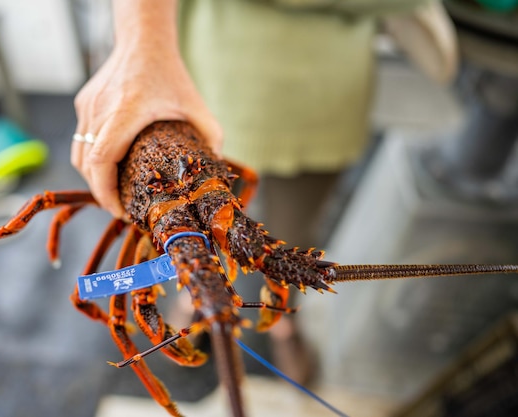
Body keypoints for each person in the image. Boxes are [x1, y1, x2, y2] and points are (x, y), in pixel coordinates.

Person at [71, 0, 453, 384]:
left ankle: (283, 319)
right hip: (206, 88)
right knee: (200, 242)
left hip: (325, 95)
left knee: (293, 225)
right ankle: (197, 294)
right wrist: (140, 46)